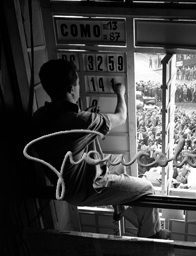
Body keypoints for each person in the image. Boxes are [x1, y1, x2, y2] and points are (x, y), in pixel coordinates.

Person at [30, 59, 170, 239]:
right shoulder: (82, 121)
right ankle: (152, 238)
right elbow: (121, 117)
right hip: (84, 188)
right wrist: (120, 93)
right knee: (147, 188)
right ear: (72, 89)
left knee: (118, 164)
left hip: (64, 182)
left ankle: (119, 208)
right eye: (78, 84)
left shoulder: (39, 116)